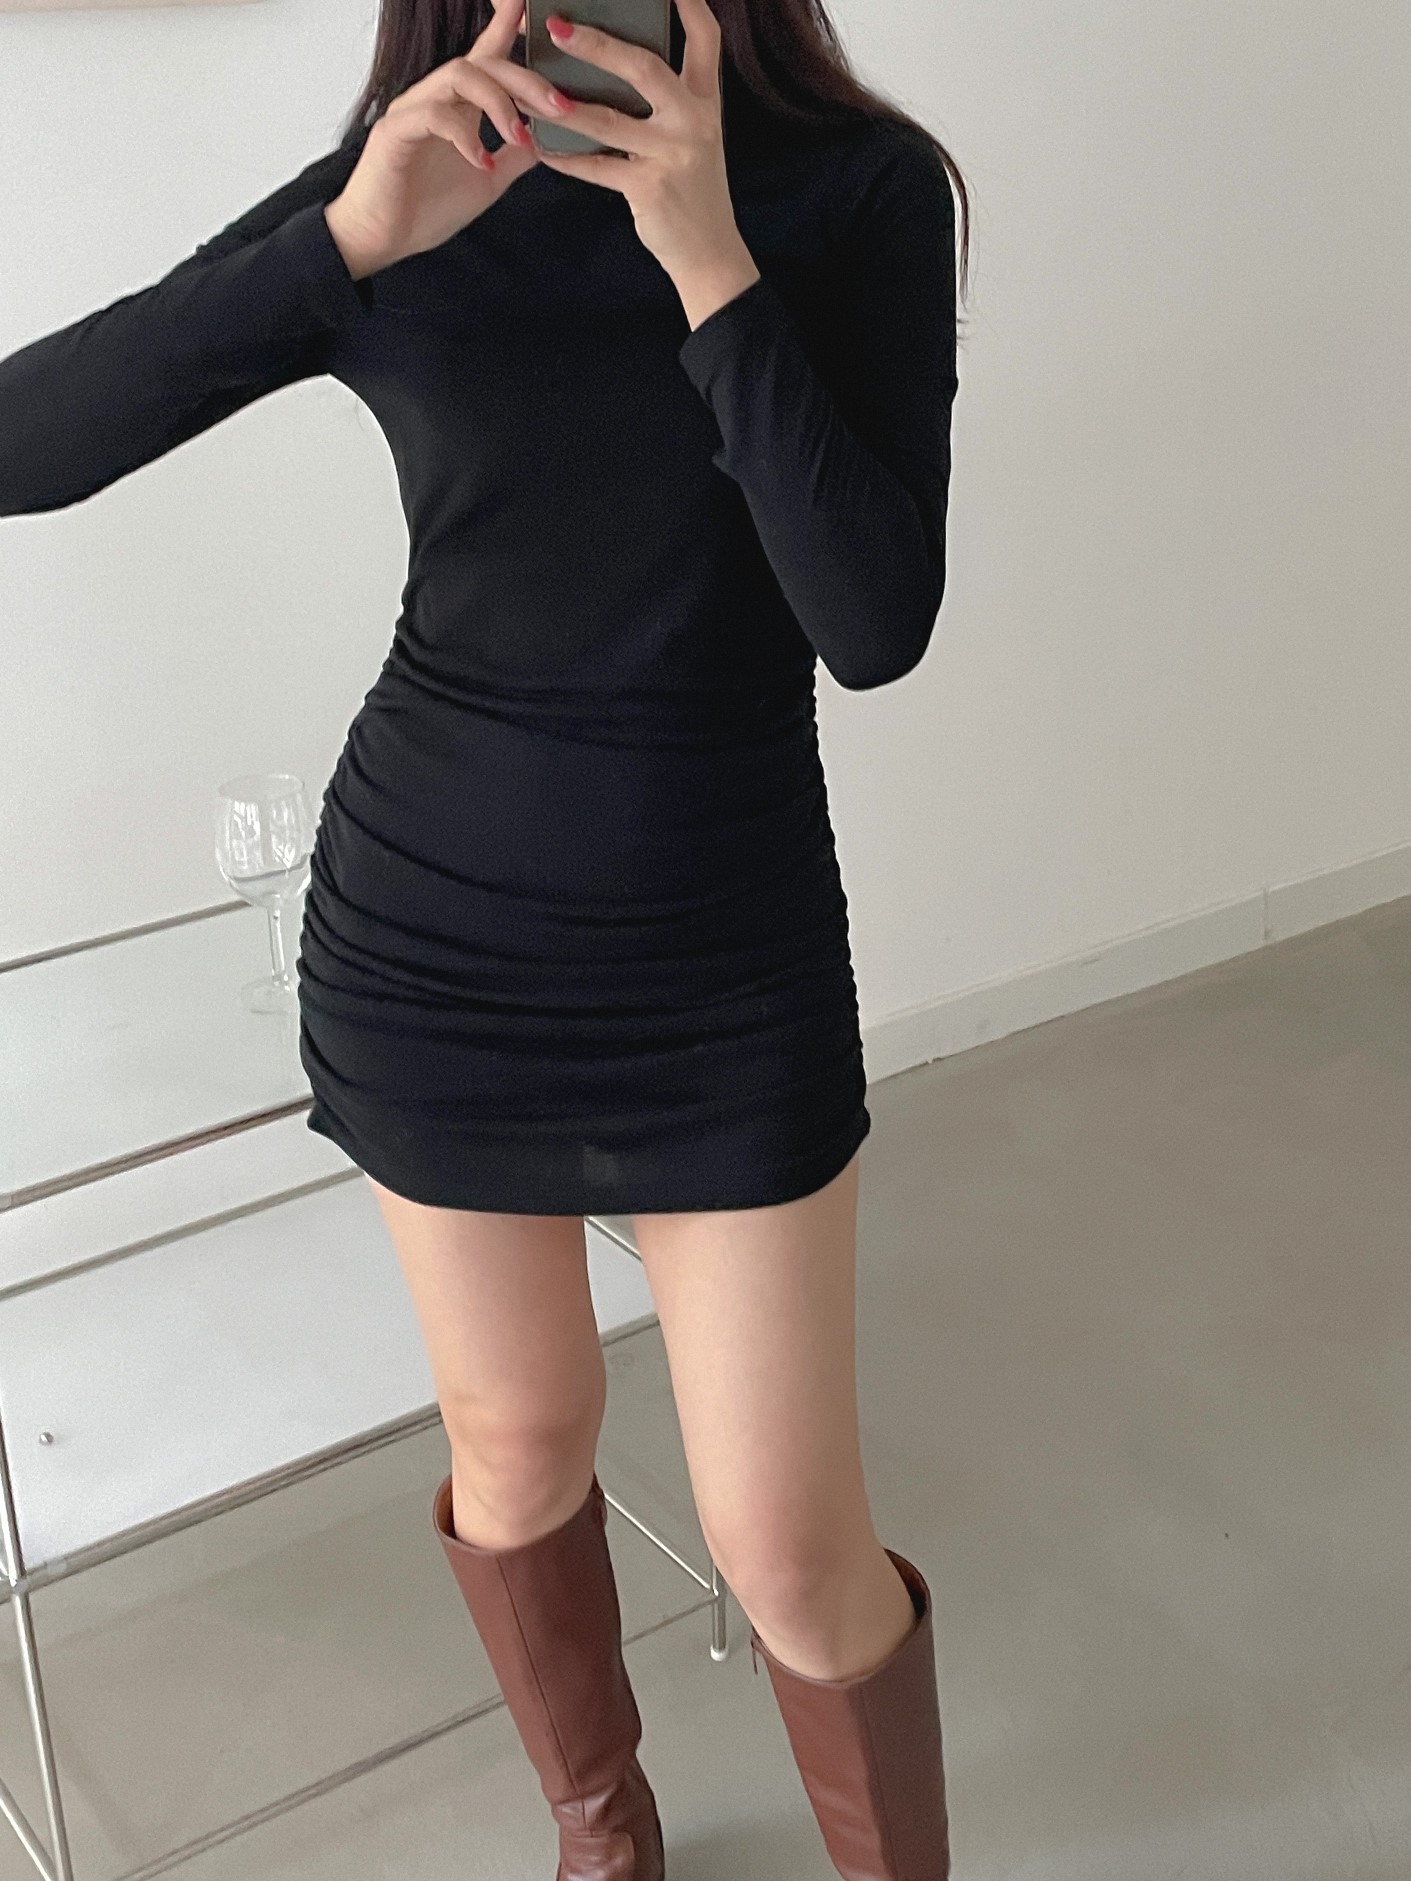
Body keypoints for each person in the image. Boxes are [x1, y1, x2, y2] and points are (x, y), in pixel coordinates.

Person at [0, 0, 966, 1872]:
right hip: (432, 945)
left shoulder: (858, 192)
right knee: (515, 1439)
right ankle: (604, 1835)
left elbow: (873, 619)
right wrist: (346, 242)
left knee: (786, 1543)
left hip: (726, 963)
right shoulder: (408, 184)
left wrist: (710, 263)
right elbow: (25, 443)